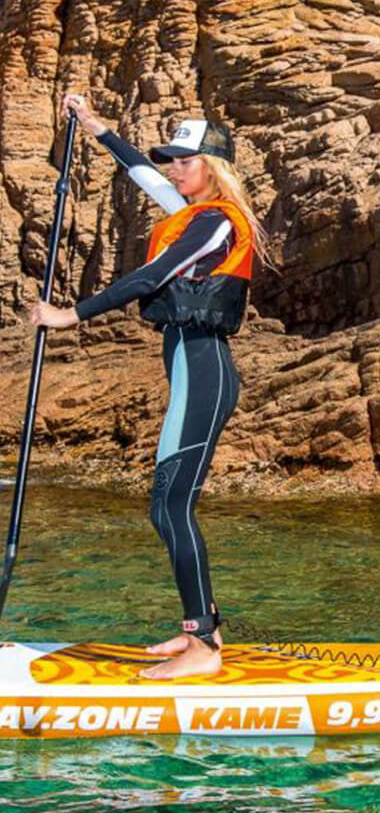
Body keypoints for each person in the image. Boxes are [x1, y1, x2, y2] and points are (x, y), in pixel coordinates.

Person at [29, 95, 268, 678]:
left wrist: (72, 315)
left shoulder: (216, 221)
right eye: (172, 159)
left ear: (213, 167)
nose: (173, 168)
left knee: (171, 506)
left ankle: (205, 648)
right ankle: (200, 629)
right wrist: (98, 130)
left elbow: (152, 276)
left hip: (205, 369)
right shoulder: (189, 212)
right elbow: (140, 173)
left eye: (185, 160)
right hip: (189, 366)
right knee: (166, 507)